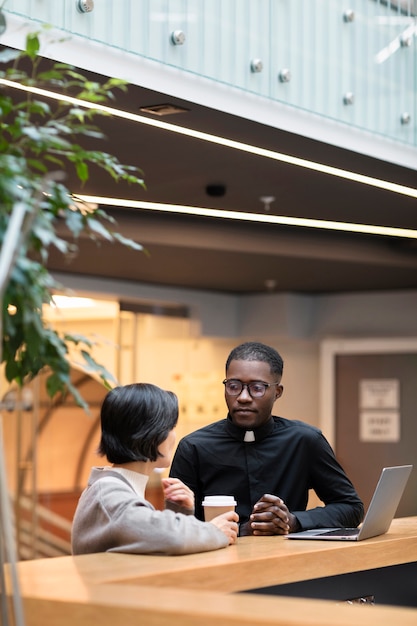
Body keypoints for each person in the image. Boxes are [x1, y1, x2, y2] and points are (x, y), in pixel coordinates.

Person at [170, 341, 364, 536]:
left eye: (257, 388)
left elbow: (351, 508)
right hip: (217, 560)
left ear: (277, 392)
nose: (243, 397)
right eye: (234, 386)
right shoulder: (194, 446)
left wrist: (294, 521)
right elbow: (174, 524)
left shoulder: (304, 440)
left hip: (287, 560)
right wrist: (240, 530)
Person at [71, 383, 238, 555]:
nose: (173, 436)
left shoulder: (114, 489)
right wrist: (215, 531)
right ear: (151, 434)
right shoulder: (108, 493)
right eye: (170, 428)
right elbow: (171, 538)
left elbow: (151, 545)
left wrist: (178, 512)